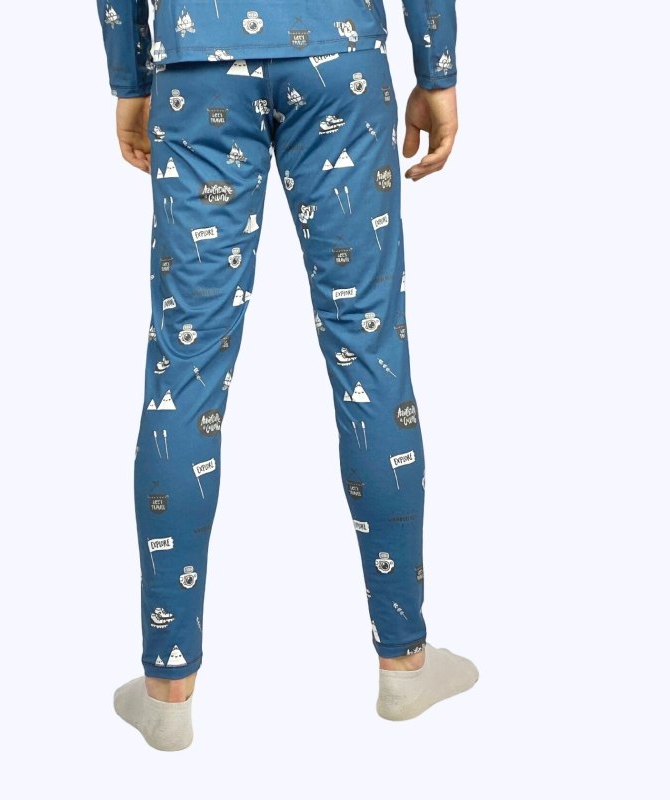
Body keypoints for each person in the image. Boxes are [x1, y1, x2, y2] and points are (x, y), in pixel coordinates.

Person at [95, 0, 478, 751]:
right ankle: (404, 662)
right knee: (369, 347)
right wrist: (437, 69)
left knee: (184, 368)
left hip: (197, 71)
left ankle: (167, 689)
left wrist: (130, 78)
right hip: (340, 63)